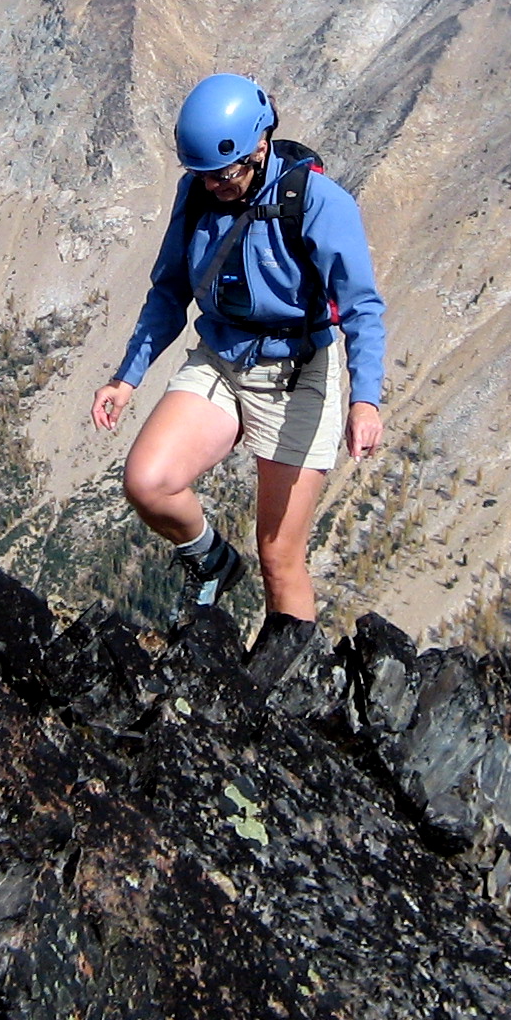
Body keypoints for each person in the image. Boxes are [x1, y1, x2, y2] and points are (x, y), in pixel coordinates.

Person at [90, 73, 387, 649]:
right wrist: (126, 378)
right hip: (224, 357)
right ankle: (210, 560)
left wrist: (365, 398)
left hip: (297, 376)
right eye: (204, 176)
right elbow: (170, 290)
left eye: (228, 175)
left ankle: (285, 688)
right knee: (149, 482)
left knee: (279, 557)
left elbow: (362, 307)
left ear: (261, 143)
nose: (218, 187)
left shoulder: (318, 202)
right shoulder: (198, 192)